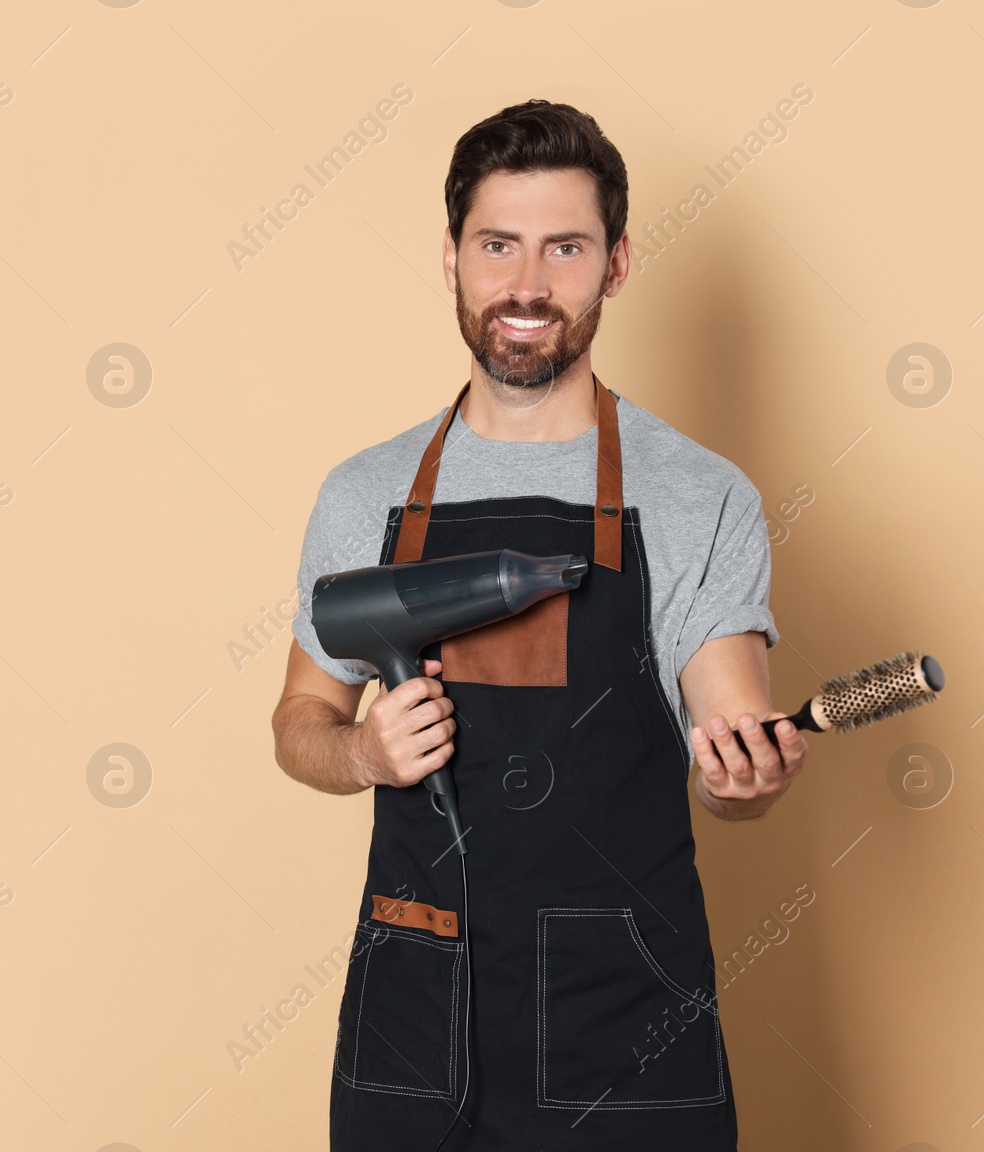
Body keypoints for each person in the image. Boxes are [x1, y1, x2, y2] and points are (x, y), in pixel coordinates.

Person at [270, 99, 809, 1150]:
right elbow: (298, 719)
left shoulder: (700, 495)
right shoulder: (365, 497)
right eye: (498, 246)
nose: (526, 285)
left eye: (564, 247)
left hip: (627, 1016)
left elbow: (726, 729)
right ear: (451, 257)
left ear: (613, 265)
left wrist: (738, 776)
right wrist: (362, 754)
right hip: (414, 1011)